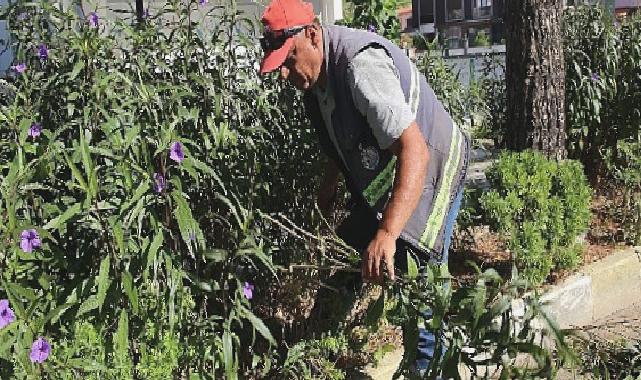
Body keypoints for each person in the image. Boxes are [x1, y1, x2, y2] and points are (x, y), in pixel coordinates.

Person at [259, 0, 470, 374]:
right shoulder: (315, 79)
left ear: (311, 34)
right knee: (347, 260)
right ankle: (314, 353)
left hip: (434, 167)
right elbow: (341, 136)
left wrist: (388, 232)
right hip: (399, 171)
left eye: (289, 60)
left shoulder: (361, 68)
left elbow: (415, 152)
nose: (285, 74)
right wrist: (328, 187)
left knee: (419, 289)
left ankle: (429, 368)